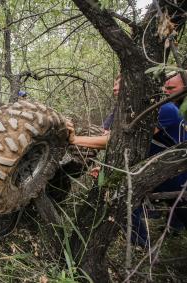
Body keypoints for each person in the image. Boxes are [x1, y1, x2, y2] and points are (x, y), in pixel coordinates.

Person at [67, 73, 187, 246]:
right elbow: (119, 144)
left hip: (176, 175)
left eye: (121, 84)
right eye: (115, 83)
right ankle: (141, 247)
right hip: (150, 168)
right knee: (125, 200)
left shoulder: (165, 109)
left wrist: (75, 140)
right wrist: (106, 168)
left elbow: (120, 142)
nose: (114, 88)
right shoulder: (127, 110)